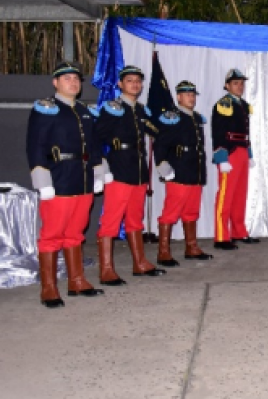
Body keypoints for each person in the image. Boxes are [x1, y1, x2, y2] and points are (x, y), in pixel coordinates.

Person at [26, 62, 105, 308]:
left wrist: (98, 171)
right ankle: (48, 287)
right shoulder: (46, 108)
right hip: (58, 178)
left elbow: (92, 145)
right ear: (55, 82)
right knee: (51, 235)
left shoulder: (83, 111)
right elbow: (35, 145)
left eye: (76, 78)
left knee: (75, 233)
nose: (73, 82)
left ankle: (77, 280)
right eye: (67, 78)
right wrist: (42, 178)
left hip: (82, 180)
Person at [95, 65, 167, 284]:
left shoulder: (140, 110)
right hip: (118, 169)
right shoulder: (112, 108)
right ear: (120, 84)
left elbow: (156, 132)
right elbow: (96, 137)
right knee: (111, 220)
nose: (135, 84)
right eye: (130, 80)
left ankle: (140, 263)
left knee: (136, 219)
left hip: (138, 171)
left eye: (138, 80)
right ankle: (106, 269)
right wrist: (101, 165)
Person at [154, 80, 214, 266]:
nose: (191, 98)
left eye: (193, 94)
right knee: (171, 212)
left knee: (191, 211)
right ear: (179, 97)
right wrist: (162, 165)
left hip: (194, 171)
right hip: (178, 171)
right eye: (187, 94)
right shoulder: (172, 116)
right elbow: (161, 143)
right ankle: (163, 251)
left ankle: (191, 246)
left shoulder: (196, 118)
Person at [211, 69, 259, 250]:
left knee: (240, 195)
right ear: (227, 86)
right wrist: (222, 157)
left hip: (241, 152)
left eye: (241, 83)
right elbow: (218, 133)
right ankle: (221, 237)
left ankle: (239, 231)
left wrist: (250, 154)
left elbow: (246, 133)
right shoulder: (223, 104)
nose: (240, 87)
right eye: (236, 83)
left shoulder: (243, 105)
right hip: (229, 152)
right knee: (226, 195)